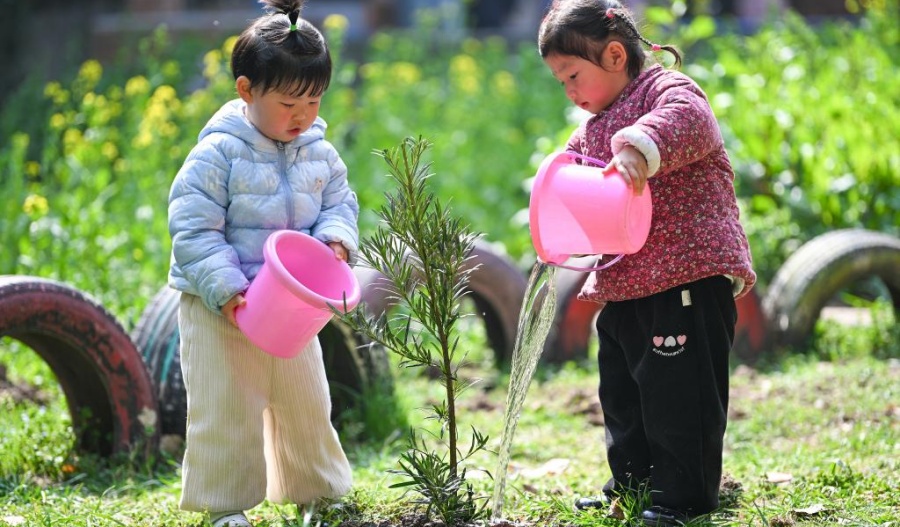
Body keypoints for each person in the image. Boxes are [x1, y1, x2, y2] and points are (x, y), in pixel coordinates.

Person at [537, 1, 756, 525]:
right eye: (560, 81)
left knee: (680, 397)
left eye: (573, 76)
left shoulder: (665, 92)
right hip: (627, 284)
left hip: (686, 279)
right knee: (624, 392)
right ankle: (632, 486)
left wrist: (640, 148)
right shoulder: (592, 124)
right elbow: (572, 174)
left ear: (615, 55)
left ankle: (683, 498)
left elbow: (691, 120)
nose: (569, 92)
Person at [167, 0, 358, 525]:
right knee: (226, 406)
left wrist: (336, 241)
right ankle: (225, 505)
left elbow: (340, 202)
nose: (303, 116)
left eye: (314, 101)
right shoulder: (217, 155)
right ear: (246, 91)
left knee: (305, 400)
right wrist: (227, 289)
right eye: (289, 103)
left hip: (291, 306)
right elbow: (192, 228)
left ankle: (317, 490)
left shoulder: (318, 151)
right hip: (221, 306)